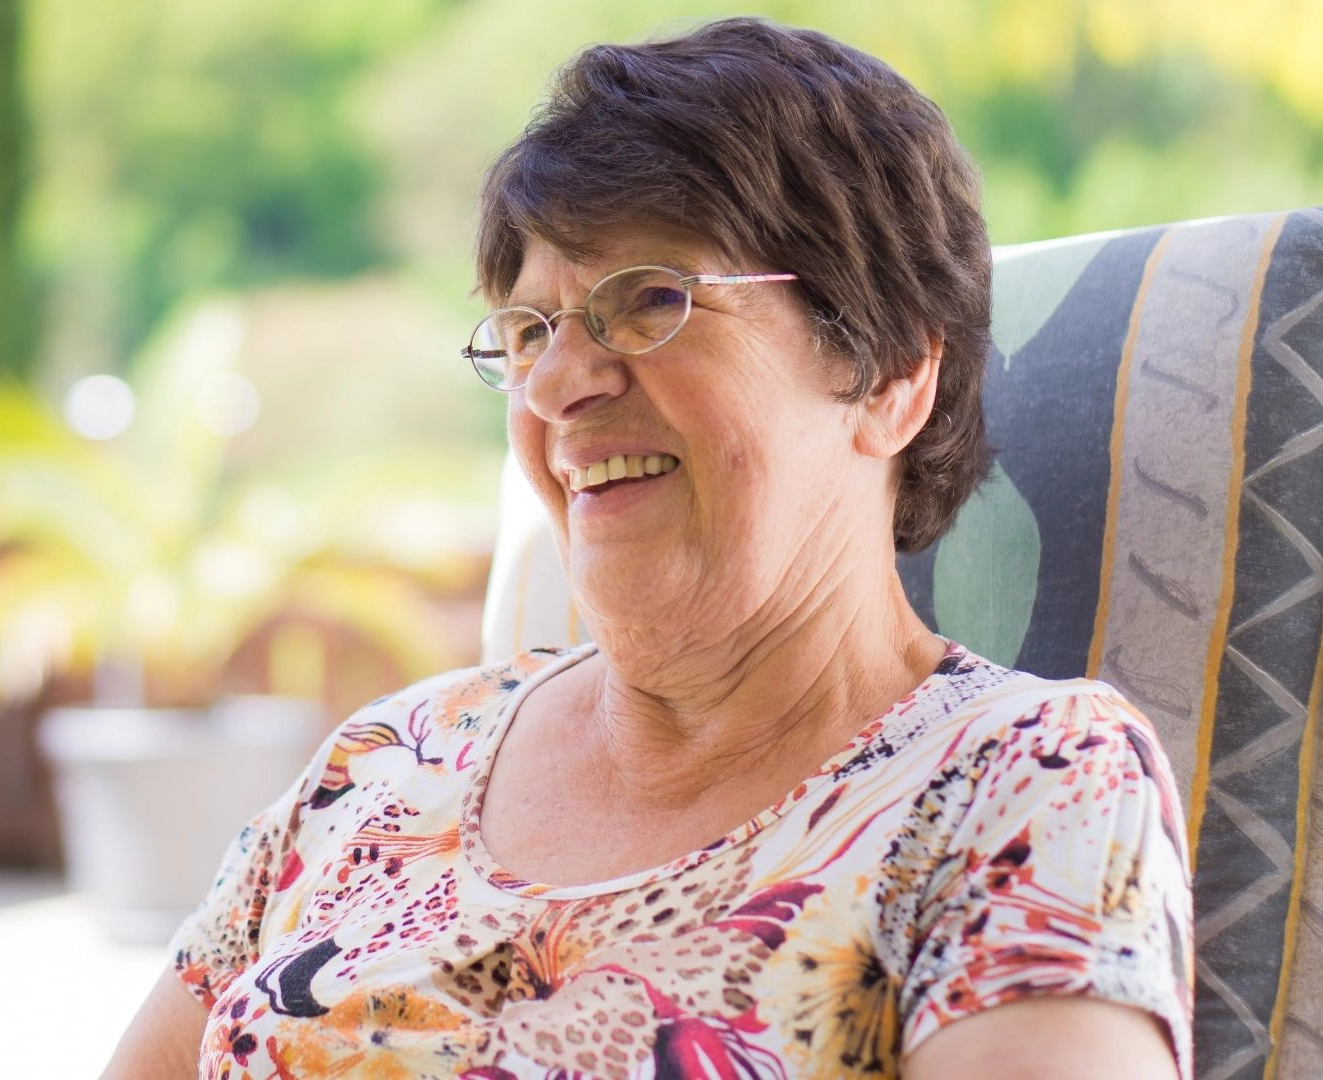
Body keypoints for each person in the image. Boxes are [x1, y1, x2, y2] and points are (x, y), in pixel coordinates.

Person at [104, 17, 1191, 1079]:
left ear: (892, 373)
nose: (559, 385)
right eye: (529, 331)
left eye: (651, 301)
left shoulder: (1025, 785)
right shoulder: (385, 760)